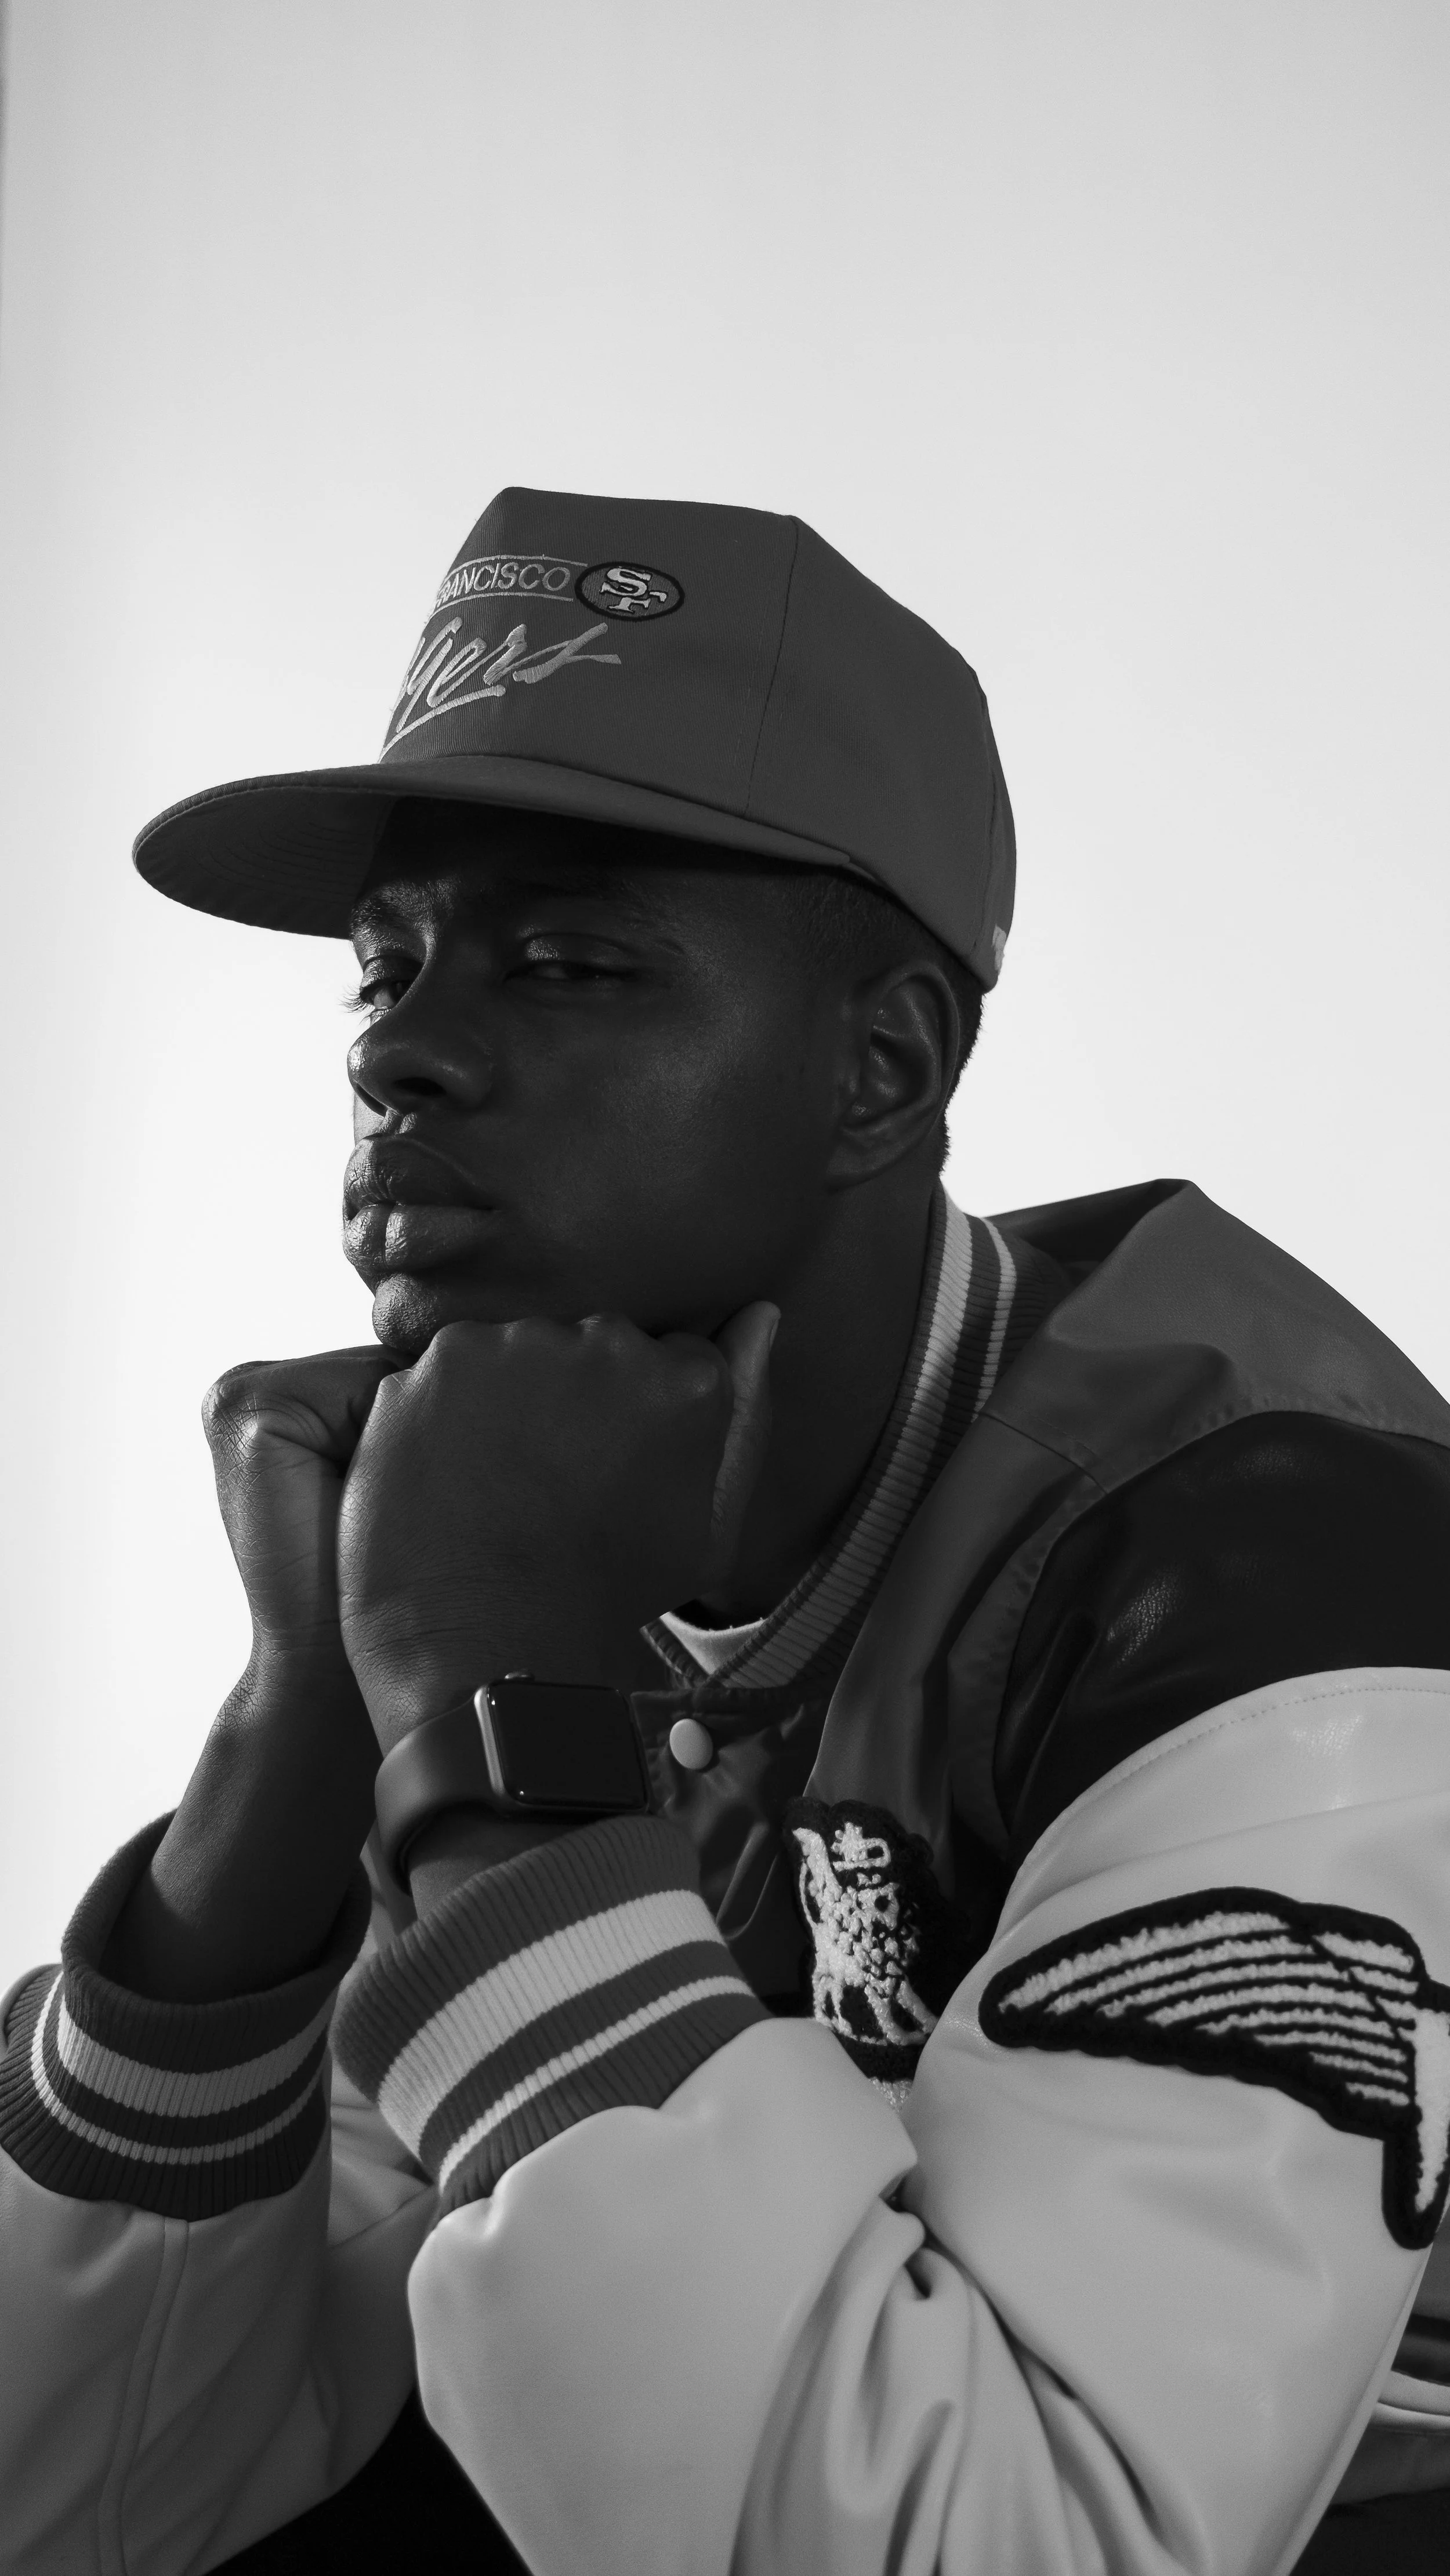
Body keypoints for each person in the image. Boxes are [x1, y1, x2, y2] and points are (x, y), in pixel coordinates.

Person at [2, 489, 1449, 2576]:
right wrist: (300, 1724)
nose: (403, 1051)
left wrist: (500, 1720)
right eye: (384, 973)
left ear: (882, 1069)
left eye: (568, 964)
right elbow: (91, 2506)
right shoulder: (527, 1514)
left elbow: (1005, 2552)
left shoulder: (1283, 1564)